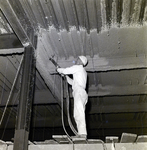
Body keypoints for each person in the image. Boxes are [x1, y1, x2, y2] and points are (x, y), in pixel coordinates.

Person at [57, 56, 88, 139]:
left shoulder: (78, 67)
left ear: (81, 61)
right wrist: (65, 76)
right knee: (78, 113)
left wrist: (59, 70)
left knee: (78, 113)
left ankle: (82, 134)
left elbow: (67, 70)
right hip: (82, 92)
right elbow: (73, 82)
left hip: (79, 91)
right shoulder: (83, 72)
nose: (76, 60)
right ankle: (81, 133)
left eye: (78, 59)